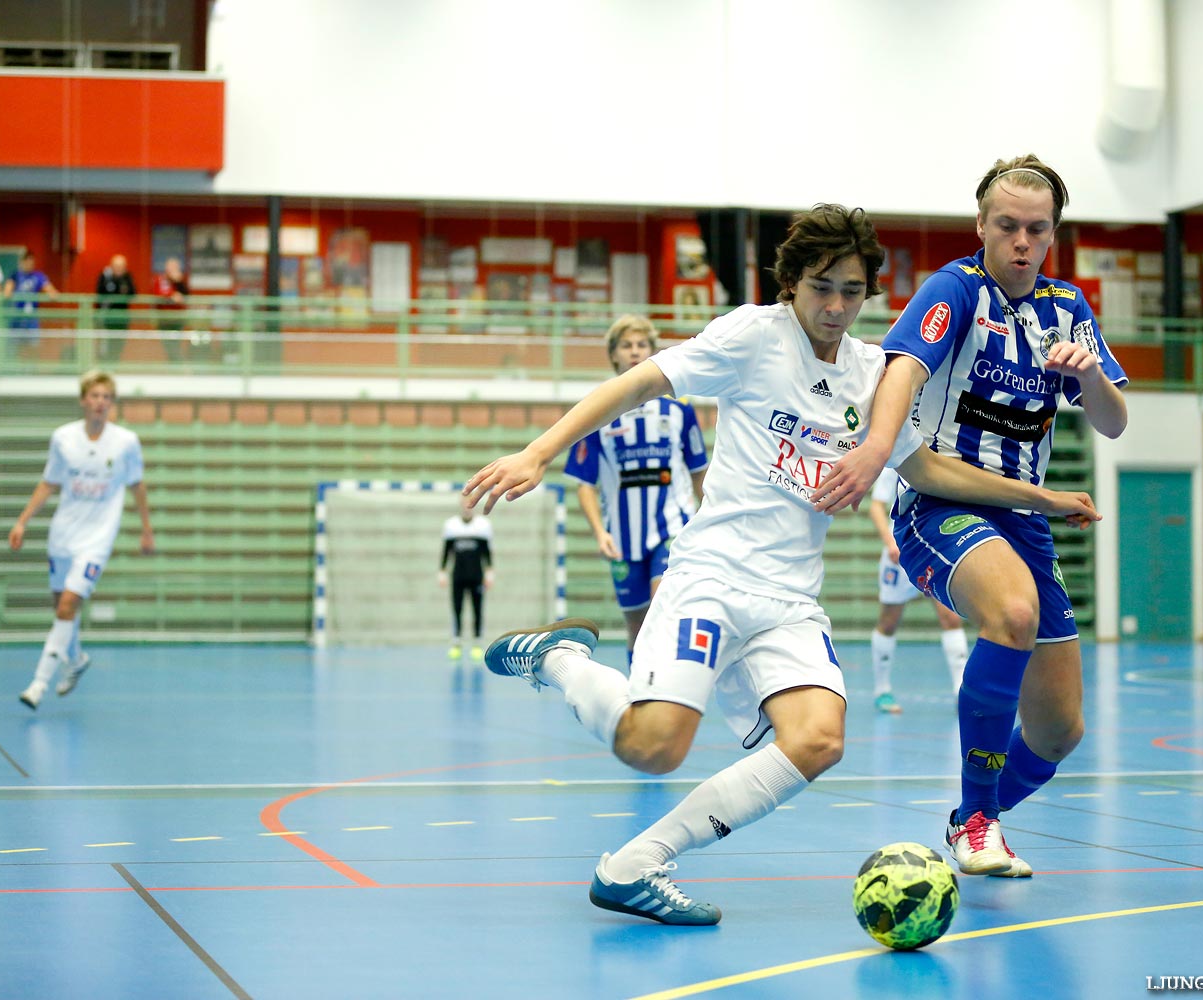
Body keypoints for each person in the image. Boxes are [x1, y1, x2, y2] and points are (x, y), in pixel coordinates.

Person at [464, 204, 1099, 925]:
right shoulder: (751, 336)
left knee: (819, 737)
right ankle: (562, 661)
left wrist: (1037, 497)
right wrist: (538, 453)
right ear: (791, 282)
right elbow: (638, 384)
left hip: (790, 601)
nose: (834, 306)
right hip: (712, 575)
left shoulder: (873, 375)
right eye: (821, 287)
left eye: (851, 291)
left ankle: (636, 864)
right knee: (654, 748)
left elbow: (926, 468)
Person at [813, 155, 1129, 879]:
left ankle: (970, 815)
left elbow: (1111, 423)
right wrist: (876, 448)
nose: (1022, 241)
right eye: (1008, 225)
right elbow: (903, 369)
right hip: (943, 504)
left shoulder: (1068, 308)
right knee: (1011, 612)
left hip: (1024, 518)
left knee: (1057, 733)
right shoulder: (955, 290)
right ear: (981, 225)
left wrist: (1087, 377)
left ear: (1053, 234)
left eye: (1037, 229)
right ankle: (980, 821)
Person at [564, 315, 708, 663]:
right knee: (637, 626)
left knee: (662, 611)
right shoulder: (597, 410)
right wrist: (600, 532)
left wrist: (706, 523)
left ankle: (663, 695)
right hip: (623, 536)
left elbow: (698, 474)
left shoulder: (679, 409)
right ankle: (640, 695)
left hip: (672, 527)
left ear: (653, 351)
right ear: (613, 355)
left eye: (642, 345)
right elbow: (585, 485)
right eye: (626, 346)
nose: (635, 352)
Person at [9, 370, 154, 709]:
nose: (100, 403)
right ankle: (75, 661)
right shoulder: (63, 438)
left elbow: (138, 486)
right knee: (60, 605)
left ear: (112, 403)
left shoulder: (126, 443)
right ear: (83, 400)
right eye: (95, 396)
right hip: (63, 534)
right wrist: (21, 522)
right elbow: (49, 483)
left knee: (68, 605)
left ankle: (38, 683)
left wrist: (147, 529)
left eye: (107, 397)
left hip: (97, 539)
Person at [867, 465, 971, 714]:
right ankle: (882, 690)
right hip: (901, 549)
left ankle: (961, 690)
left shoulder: (937, 457)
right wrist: (890, 542)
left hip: (933, 547)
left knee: (950, 616)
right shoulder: (896, 462)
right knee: (889, 621)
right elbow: (876, 507)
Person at [439, 497, 493, 661]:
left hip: (477, 576)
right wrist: (442, 572)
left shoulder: (483, 526)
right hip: (458, 576)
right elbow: (446, 551)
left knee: (477, 609)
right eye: (465, 504)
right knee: (457, 609)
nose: (467, 507)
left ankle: (477, 643)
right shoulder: (451, 526)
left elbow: (487, 553)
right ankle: (456, 643)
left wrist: (490, 573)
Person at [4, 250, 60, 356]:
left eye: (31, 261)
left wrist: (52, 293)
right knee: (14, 347)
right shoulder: (15, 275)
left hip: (32, 318)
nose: (30, 264)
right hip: (17, 317)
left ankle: (30, 369)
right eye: (27, 261)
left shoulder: (38, 276)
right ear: (22, 262)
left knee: (32, 347)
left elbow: (51, 291)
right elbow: (7, 292)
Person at [95, 255, 136, 362]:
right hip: (106, 316)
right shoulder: (105, 276)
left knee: (118, 342)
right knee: (105, 343)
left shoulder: (127, 277)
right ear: (112, 266)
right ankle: (104, 365)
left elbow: (132, 293)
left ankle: (114, 364)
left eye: (121, 266)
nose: (118, 268)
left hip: (122, 317)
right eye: (116, 266)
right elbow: (99, 293)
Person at [151, 256, 189, 363]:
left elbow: (186, 295)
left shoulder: (180, 280)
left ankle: (176, 365)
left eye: (175, 267)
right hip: (165, 319)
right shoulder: (160, 279)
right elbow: (159, 295)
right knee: (168, 344)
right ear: (166, 268)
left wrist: (178, 282)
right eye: (171, 267)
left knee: (176, 343)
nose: (173, 269)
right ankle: (176, 365)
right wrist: (172, 296)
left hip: (178, 318)